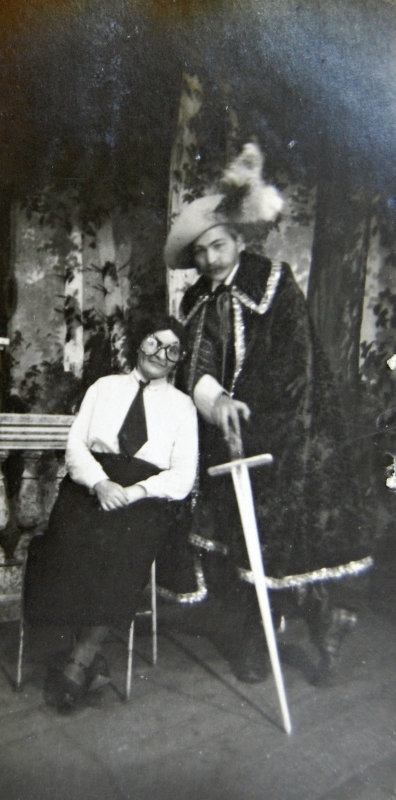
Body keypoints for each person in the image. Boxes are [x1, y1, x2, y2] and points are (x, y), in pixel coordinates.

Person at [162, 143, 373, 686]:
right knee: (240, 534)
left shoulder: (274, 284)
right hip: (226, 433)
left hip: (288, 428)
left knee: (284, 535)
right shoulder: (198, 303)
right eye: (200, 253)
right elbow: (194, 363)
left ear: (238, 239)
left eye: (217, 245)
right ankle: (269, 631)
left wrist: (257, 416)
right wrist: (215, 400)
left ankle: (317, 623)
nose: (210, 259)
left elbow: (295, 361)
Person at [24, 313, 198, 713]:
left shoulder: (183, 406)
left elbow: (182, 475)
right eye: (154, 342)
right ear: (139, 343)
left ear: (180, 359)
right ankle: (90, 659)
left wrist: (134, 492)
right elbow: (75, 446)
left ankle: (79, 661)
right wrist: (101, 484)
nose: (161, 354)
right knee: (67, 545)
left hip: (144, 499)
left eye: (173, 350)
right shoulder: (103, 387)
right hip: (91, 486)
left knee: (121, 551)